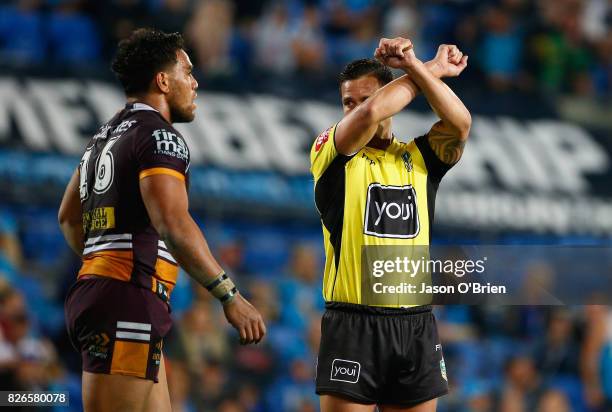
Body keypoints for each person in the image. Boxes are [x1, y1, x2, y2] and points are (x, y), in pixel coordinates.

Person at [58, 28, 265, 412]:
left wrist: (101, 267)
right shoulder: (159, 136)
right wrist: (229, 295)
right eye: (187, 72)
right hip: (128, 299)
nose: (195, 82)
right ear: (163, 80)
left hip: (116, 295)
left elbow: (68, 218)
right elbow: (173, 222)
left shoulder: (103, 136)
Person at [310, 37, 471, 412]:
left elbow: (460, 124)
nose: (355, 110)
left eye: (364, 99)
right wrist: (432, 66)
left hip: (416, 324)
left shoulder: (419, 158)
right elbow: (370, 116)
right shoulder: (331, 152)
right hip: (353, 323)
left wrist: (414, 66)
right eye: (347, 102)